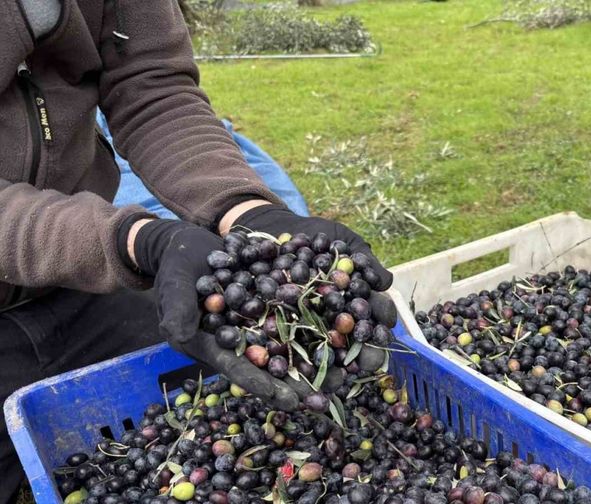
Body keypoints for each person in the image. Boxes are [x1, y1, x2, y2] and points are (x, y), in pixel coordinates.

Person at [0, 0, 394, 500]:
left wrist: (245, 211)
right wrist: (134, 240)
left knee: (192, 409)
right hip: (73, 245)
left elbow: (152, 87)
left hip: (78, 279)